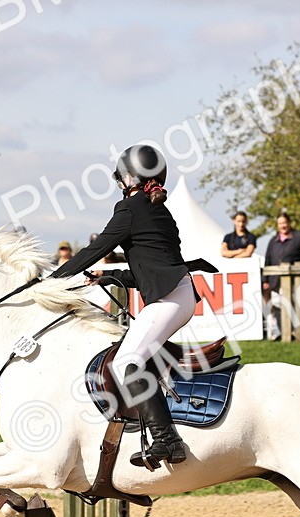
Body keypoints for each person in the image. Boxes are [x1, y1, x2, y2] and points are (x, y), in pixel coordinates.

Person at [51, 144, 197, 469]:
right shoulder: (158, 208)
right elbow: (150, 268)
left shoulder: (129, 208)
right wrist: (109, 275)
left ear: (128, 177)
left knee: (127, 362)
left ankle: (167, 440)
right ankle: (160, 434)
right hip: (179, 294)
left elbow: (96, 247)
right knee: (128, 360)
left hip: (171, 298)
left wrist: (53, 279)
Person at [262, 212, 300, 340]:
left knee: (293, 305)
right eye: (280, 223)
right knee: (277, 305)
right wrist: (265, 280)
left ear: (289, 223)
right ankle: (280, 332)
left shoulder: (298, 237)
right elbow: (268, 260)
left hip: (294, 281)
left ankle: (296, 332)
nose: (283, 226)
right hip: (275, 281)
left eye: (284, 223)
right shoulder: (273, 241)